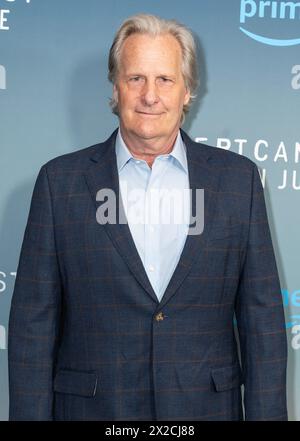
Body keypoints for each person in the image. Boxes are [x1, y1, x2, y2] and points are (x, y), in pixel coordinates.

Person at [8, 13, 288, 421]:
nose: (150, 95)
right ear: (116, 87)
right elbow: (32, 329)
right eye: (136, 78)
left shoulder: (237, 181)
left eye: (165, 80)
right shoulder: (60, 183)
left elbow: (262, 323)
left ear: (188, 90)